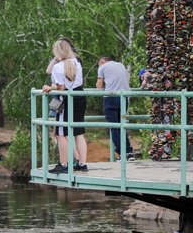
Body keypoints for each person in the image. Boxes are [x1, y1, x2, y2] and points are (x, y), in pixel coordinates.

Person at [42, 38, 88, 173]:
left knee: (60, 133)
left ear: (57, 52)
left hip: (67, 100)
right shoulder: (77, 62)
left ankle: (64, 164)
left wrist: (50, 87)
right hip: (80, 97)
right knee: (78, 132)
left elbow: (61, 87)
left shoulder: (57, 67)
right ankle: (82, 163)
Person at [97, 55, 135, 161]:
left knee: (114, 127)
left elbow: (99, 86)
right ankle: (129, 152)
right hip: (124, 98)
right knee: (122, 126)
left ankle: (122, 153)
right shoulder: (121, 65)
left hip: (111, 98)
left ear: (102, 62)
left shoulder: (102, 67)